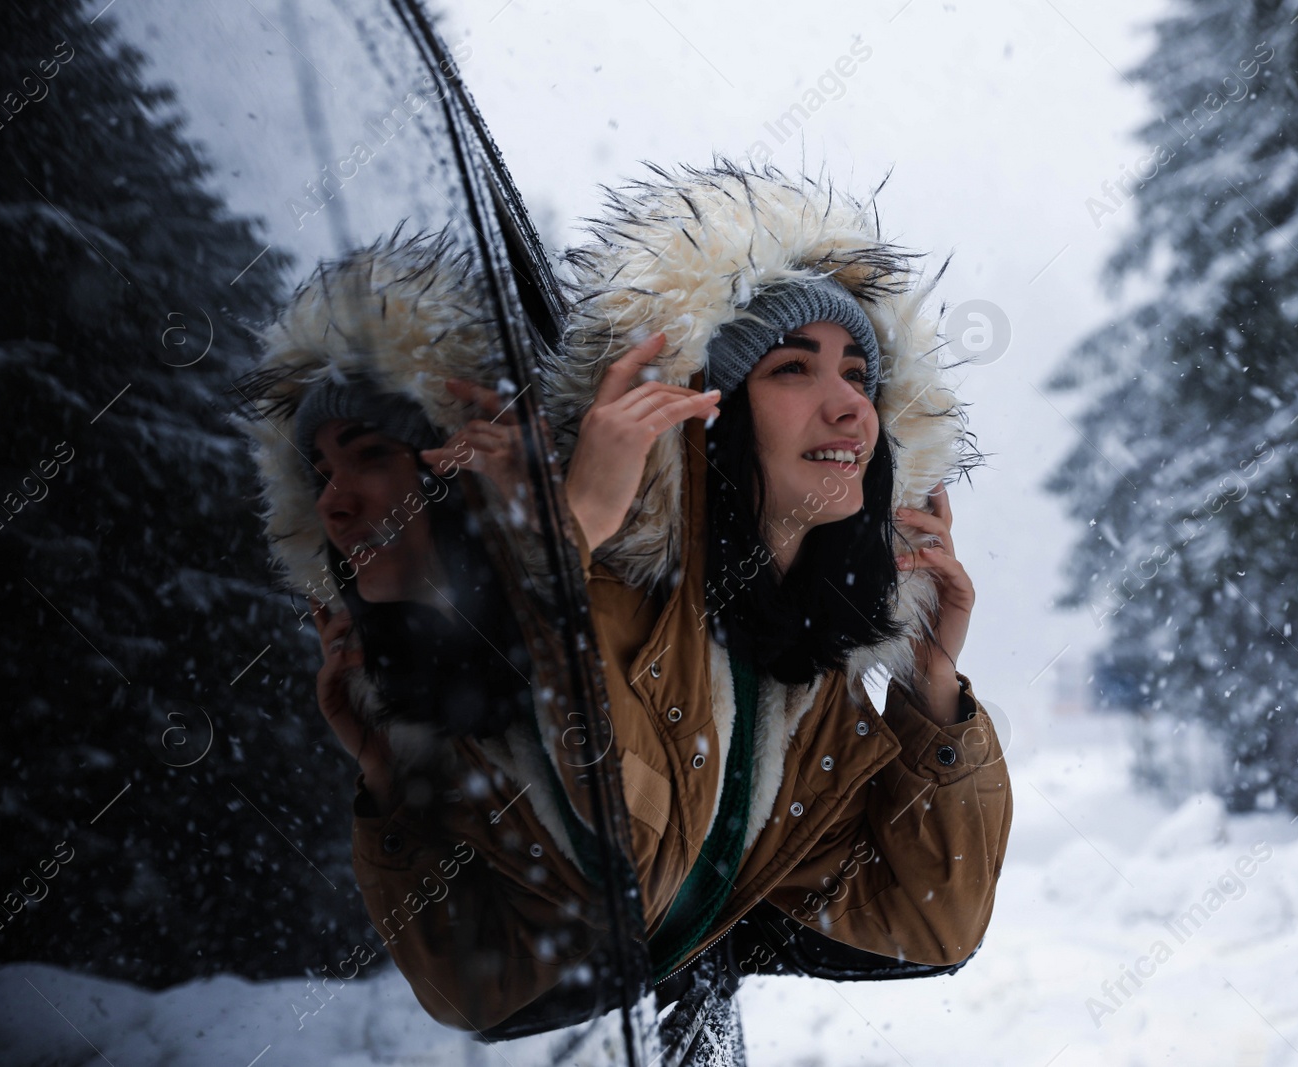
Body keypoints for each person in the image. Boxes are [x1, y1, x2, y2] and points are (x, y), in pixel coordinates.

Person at [240, 162, 1014, 1039]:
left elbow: (925, 923)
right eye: (794, 369)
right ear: (703, 420)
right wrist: (566, 542)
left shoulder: (804, 680)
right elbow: (585, 916)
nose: (851, 411)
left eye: (857, 377)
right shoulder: (609, 613)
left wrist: (928, 687)